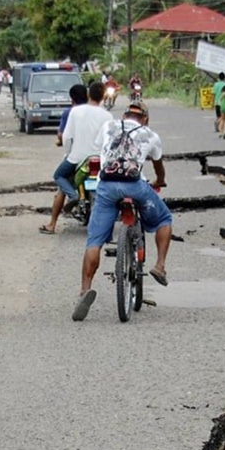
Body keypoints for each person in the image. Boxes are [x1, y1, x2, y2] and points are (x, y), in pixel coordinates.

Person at [72, 100, 171, 321]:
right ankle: (160, 266)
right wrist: (161, 180)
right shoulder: (150, 134)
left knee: (94, 242)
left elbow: (101, 149)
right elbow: (158, 165)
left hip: (106, 186)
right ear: (144, 118)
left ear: (125, 115)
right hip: (135, 186)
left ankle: (84, 290)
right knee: (164, 218)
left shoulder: (109, 126)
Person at [40, 82, 112, 235]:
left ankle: (57, 218)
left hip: (76, 158)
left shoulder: (75, 111)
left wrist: (69, 153)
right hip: (98, 159)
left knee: (59, 176)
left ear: (89, 95)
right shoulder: (107, 115)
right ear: (102, 97)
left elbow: (66, 137)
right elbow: (109, 140)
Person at [55, 83, 87, 147]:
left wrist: (61, 141)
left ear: (72, 99)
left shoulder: (68, 112)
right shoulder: (96, 112)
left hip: (74, 152)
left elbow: (61, 135)